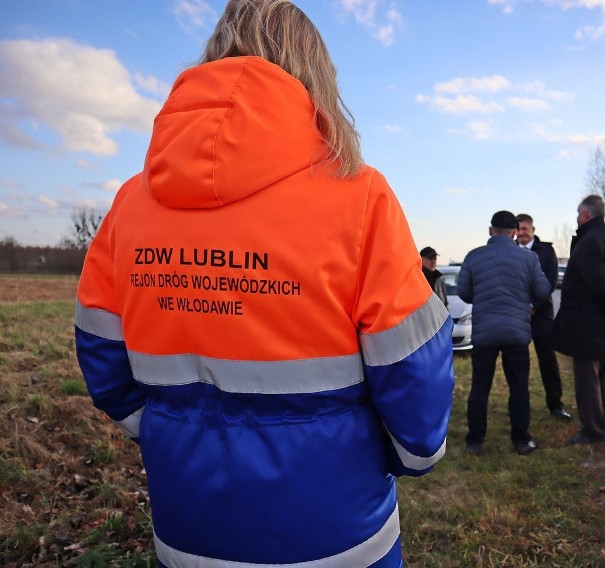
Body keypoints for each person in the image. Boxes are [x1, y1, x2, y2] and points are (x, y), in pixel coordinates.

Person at [73, 2, 455, 566]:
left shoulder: (131, 205)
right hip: (340, 538)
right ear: (315, 74)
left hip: (187, 533)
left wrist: (166, 429)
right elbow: (411, 370)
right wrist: (412, 456)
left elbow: (101, 356)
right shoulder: (360, 196)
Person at [457, 210, 551, 456]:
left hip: (484, 332)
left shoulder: (474, 256)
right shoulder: (529, 259)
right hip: (516, 332)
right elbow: (542, 291)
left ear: (490, 231)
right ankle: (521, 440)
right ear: (513, 233)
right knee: (519, 386)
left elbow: (465, 292)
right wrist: (525, 301)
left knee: (479, 387)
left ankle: (474, 442)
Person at [551, 196, 605, 443]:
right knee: (600, 377)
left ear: (586, 215)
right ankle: (602, 424)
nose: (576, 218)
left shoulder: (589, 242)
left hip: (587, 322)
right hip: (604, 321)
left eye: (578, 214)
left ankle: (593, 430)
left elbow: (598, 283)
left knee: (587, 380)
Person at [515, 213, 572, 421]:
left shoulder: (546, 251)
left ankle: (556, 405)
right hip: (517, 318)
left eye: (525, 229)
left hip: (542, 315)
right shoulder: (510, 251)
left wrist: (533, 304)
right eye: (518, 229)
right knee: (518, 365)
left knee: (548, 363)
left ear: (532, 230)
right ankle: (520, 408)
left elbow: (550, 280)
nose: (521, 233)